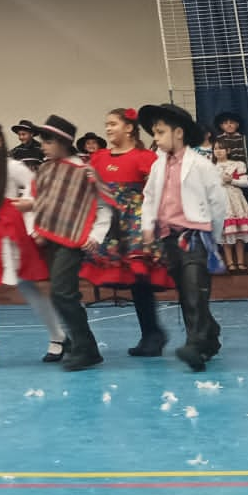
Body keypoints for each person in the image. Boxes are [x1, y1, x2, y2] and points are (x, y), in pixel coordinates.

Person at [0, 120, 67, 368]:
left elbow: (36, 187)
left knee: (28, 286)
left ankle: (58, 336)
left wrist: (28, 204)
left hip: (10, 232)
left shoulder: (12, 166)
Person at [138, 103, 228, 372]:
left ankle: (196, 345)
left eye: (160, 132)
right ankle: (209, 334)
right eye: (154, 132)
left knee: (193, 290)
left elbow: (217, 202)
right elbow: (150, 198)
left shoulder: (200, 164)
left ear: (178, 133)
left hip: (195, 235)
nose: (155, 138)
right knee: (187, 292)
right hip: (168, 237)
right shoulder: (157, 166)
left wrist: (214, 236)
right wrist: (147, 230)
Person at [82, 107, 173, 356]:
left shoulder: (145, 158)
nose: (108, 128)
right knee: (131, 281)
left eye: (113, 124)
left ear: (129, 128)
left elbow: (158, 192)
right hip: (110, 224)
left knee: (140, 279)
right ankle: (150, 333)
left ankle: (152, 333)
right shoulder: (99, 158)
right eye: (107, 124)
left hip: (136, 222)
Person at [30, 115, 114, 371]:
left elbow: (103, 205)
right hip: (52, 239)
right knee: (62, 294)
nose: (42, 145)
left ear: (62, 142)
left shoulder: (84, 171)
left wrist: (96, 236)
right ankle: (80, 344)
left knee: (63, 293)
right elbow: (43, 201)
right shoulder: (46, 169)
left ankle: (87, 348)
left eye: (47, 140)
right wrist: (37, 224)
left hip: (74, 239)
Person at [214, 145, 248, 272]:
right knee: (225, 232)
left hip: (235, 199)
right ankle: (229, 262)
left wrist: (231, 180)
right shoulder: (210, 167)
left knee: (239, 232)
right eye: (216, 149)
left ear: (228, 150)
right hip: (220, 200)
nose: (218, 151)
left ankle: (240, 261)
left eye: (221, 148)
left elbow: (245, 183)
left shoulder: (237, 164)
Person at [211, 112, 248, 194]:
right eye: (225, 123)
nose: (229, 125)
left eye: (232, 123)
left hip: (242, 181)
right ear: (221, 126)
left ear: (237, 125)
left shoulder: (245, 140)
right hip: (221, 184)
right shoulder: (217, 141)